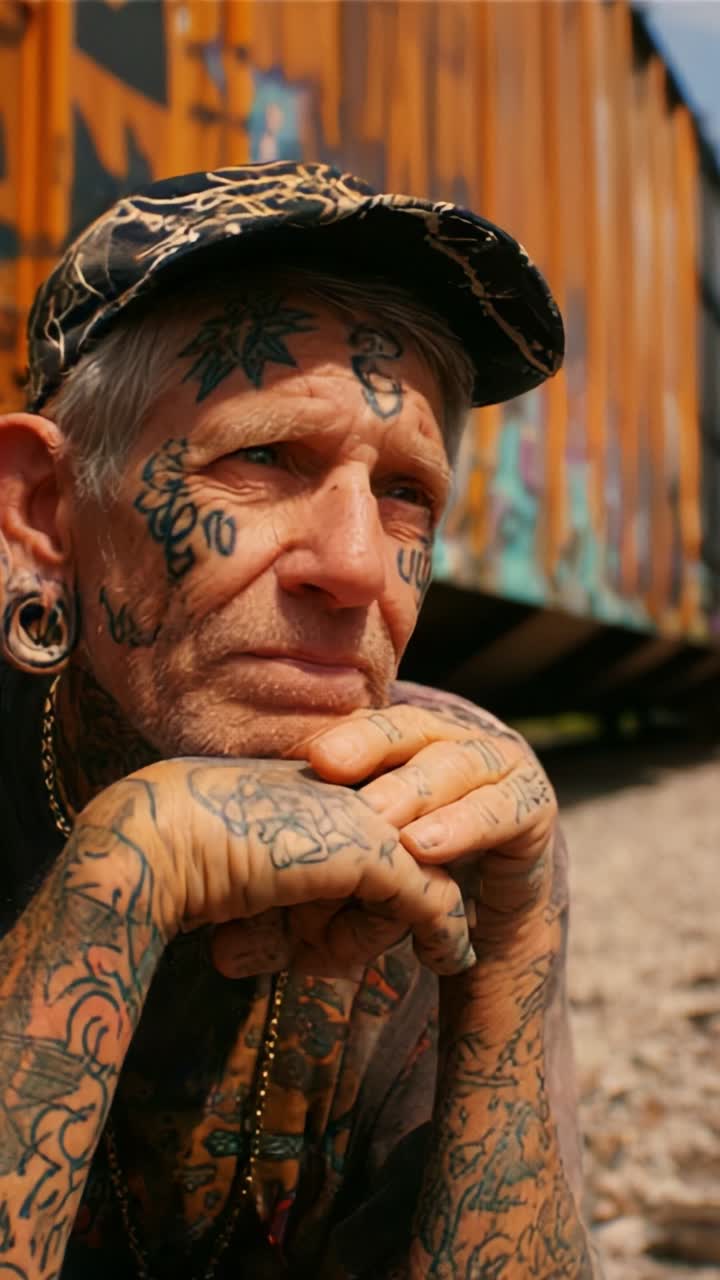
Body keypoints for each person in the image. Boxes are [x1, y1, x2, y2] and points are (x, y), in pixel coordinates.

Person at [0, 161, 601, 1279]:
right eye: (266, 456)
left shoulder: (446, 811)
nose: (358, 566)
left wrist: (509, 953)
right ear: (46, 509)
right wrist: (125, 877)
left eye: (406, 491)